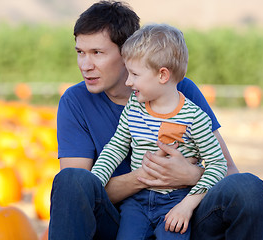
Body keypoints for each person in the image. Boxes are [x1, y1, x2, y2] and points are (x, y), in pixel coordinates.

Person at [49, 1, 263, 239]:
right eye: (80, 52)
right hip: (118, 223)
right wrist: (148, 175)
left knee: (248, 187)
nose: (85, 65)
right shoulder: (74, 101)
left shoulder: (180, 91)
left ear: (127, 53)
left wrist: (190, 175)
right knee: (70, 180)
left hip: (182, 217)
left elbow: (228, 170)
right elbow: (82, 192)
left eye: (97, 53)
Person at [90, 23, 227, 239]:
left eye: (134, 74)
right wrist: (94, 183)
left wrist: (187, 206)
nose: (128, 82)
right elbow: (115, 147)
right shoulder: (133, 108)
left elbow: (218, 166)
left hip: (177, 201)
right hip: (136, 202)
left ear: (162, 75)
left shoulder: (195, 118)